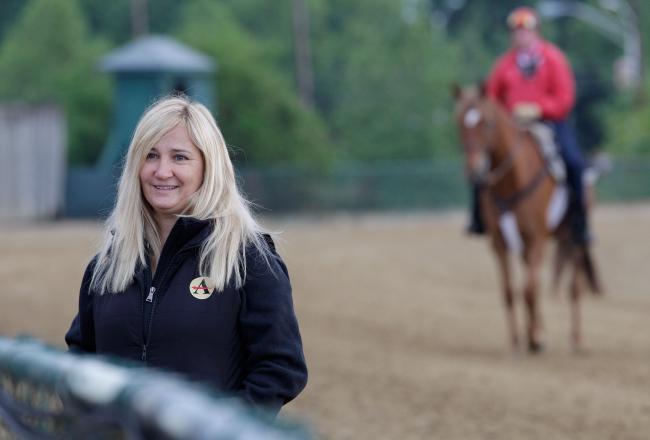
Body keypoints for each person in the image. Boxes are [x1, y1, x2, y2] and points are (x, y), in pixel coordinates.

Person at [65, 95, 307, 415]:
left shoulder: (249, 259)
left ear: (209, 167)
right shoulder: (106, 266)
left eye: (180, 157)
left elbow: (280, 370)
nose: (162, 171)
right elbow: (80, 361)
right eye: (151, 156)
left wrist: (223, 431)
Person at [467, 6, 591, 244]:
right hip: (513, 126)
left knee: (574, 163)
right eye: (516, 32)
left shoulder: (554, 59)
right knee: (480, 165)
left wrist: (539, 108)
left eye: (525, 31)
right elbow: (491, 99)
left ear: (536, 33)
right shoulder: (504, 65)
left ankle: (580, 222)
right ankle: (478, 218)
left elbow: (565, 98)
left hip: (550, 123)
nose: (520, 36)